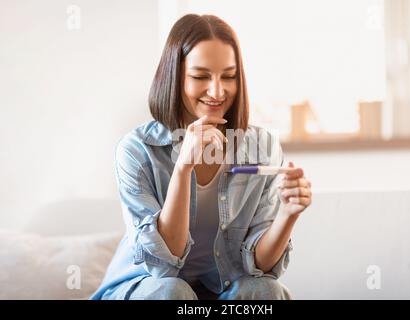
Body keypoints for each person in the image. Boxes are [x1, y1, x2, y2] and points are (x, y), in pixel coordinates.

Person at [90, 14, 312, 300]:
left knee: (264, 288)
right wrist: (183, 168)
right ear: (175, 76)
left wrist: (287, 214)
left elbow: (259, 267)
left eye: (229, 77)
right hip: (149, 287)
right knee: (173, 290)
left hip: (220, 292)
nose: (218, 91)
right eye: (201, 76)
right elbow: (163, 264)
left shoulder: (263, 148)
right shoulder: (136, 150)